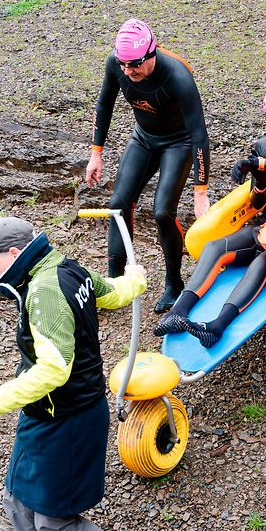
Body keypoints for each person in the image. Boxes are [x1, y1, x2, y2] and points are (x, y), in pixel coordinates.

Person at [0, 217, 148, 531]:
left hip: (70, 418)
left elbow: (54, 370)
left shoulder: (43, 291)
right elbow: (113, 293)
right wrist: (134, 278)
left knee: (54, 520)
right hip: (44, 416)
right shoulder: (65, 267)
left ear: (14, 254)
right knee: (17, 498)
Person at [155, 81, 266, 348]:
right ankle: (179, 313)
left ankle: (216, 326)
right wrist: (259, 180)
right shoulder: (262, 146)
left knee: (264, 259)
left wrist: (257, 164)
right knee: (216, 247)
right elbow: (258, 200)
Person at [85, 18, 211, 312]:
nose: (128, 72)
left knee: (162, 211)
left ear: (151, 54)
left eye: (134, 66)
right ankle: (113, 284)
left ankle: (174, 284)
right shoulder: (117, 64)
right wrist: (96, 152)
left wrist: (200, 191)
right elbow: (104, 104)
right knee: (118, 203)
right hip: (143, 138)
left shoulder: (177, 76)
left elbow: (199, 134)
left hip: (179, 143)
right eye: (123, 65)